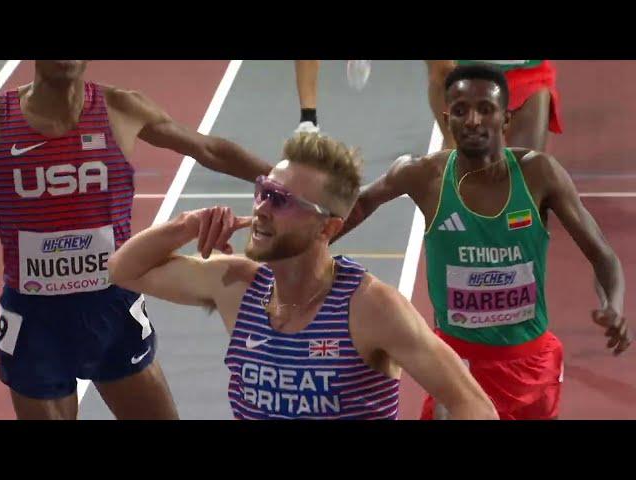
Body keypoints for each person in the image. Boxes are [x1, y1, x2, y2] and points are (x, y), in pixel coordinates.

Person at [108, 132, 498, 420]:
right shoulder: (238, 287)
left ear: (327, 228)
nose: (260, 208)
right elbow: (124, 270)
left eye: (280, 201)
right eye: (263, 191)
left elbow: (474, 406)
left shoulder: (370, 307)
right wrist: (188, 224)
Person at [333, 64, 630, 420]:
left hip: (529, 366)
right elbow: (360, 204)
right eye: (460, 110)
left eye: (485, 109)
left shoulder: (539, 174)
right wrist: (307, 241)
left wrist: (613, 303)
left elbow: (604, 256)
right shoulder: (423, 175)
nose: (472, 120)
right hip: (455, 363)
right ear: (447, 118)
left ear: (506, 119)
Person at [0, 60, 272, 420]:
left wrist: (284, 184)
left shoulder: (119, 108)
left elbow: (209, 149)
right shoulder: (2, 121)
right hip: (34, 321)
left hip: (112, 307)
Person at [425, 60, 563, 150]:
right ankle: (454, 152)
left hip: (524, 76)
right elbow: (440, 73)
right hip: (461, 70)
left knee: (524, 174)